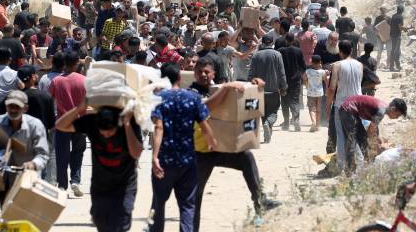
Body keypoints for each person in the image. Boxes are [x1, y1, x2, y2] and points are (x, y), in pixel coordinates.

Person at [186, 58, 277, 230]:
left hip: (221, 146)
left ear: (213, 73)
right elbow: (205, 108)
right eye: (199, 71)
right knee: (195, 196)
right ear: (195, 73)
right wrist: (227, 88)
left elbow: (239, 96)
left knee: (246, 158)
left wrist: (254, 86)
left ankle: (260, 201)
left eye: (207, 71)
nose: (203, 74)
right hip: (200, 152)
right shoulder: (191, 92)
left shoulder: (219, 88)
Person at [56, 100, 142, 232]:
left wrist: (127, 125)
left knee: (119, 225)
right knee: (101, 223)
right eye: (103, 132)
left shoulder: (129, 124)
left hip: (124, 186)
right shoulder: (92, 122)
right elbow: (60, 125)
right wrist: (79, 108)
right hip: (100, 186)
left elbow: (136, 153)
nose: (106, 135)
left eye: (110, 132)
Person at [151, 63, 216, 232]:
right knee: (187, 205)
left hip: (165, 160)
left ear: (161, 79)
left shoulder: (158, 99)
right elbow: (204, 124)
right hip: (187, 160)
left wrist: (155, 157)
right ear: (179, 78)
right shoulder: (192, 98)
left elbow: (158, 127)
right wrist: (211, 142)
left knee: (158, 204)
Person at [0, 90, 49, 171]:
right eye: (10, 106)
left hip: (25, 174)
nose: (13, 110)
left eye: (17, 106)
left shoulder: (35, 126)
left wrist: (33, 164)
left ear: (25, 108)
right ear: (6, 106)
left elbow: (43, 154)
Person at [49, 52, 86, 197]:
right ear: (77, 63)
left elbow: (49, 101)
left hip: (62, 123)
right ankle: (75, 180)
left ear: (64, 63)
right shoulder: (84, 80)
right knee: (78, 152)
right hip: (80, 122)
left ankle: (62, 185)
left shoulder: (56, 81)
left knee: (61, 155)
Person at [338, 95, 407, 173]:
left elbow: (374, 127)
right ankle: (350, 171)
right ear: (393, 109)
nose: (397, 118)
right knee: (351, 142)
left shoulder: (382, 109)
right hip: (348, 110)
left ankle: (369, 165)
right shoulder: (381, 111)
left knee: (362, 138)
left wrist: (377, 138)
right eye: (397, 115)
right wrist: (375, 144)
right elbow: (371, 130)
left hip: (352, 112)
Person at [326, 40, 363, 171]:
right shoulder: (360, 65)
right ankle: (359, 163)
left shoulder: (337, 65)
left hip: (342, 104)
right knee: (355, 133)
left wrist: (328, 104)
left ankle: (341, 165)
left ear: (339, 52)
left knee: (341, 135)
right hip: (357, 104)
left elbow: (332, 87)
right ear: (351, 50)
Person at [248, 35, 287, 143]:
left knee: (263, 112)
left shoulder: (256, 55)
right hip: (273, 90)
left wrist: (250, 85)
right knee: (273, 112)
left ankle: (266, 135)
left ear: (262, 43)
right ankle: (268, 123)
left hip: (258, 90)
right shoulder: (277, 54)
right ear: (272, 43)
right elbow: (282, 73)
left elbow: (251, 74)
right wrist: (283, 87)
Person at [278, 33, 306, 132]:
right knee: (295, 100)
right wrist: (299, 74)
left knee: (284, 102)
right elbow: (303, 66)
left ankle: (286, 123)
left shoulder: (281, 51)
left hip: (284, 80)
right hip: (295, 80)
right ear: (293, 40)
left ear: (286, 40)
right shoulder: (298, 51)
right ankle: (296, 120)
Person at [304, 55, 328, 132]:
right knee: (318, 109)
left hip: (311, 92)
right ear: (320, 62)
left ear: (311, 62)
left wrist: (306, 85)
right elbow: (326, 81)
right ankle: (317, 125)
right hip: (320, 93)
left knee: (311, 108)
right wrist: (327, 90)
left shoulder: (308, 71)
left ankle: (313, 122)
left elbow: (304, 78)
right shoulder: (322, 72)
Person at [388, 5, 405, 71]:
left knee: (393, 50)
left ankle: (392, 66)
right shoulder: (400, 17)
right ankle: (397, 66)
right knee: (396, 51)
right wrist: (406, 29)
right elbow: (400, 27)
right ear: (402, 10)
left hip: (392, 35)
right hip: (397, 35)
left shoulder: (393, 16)